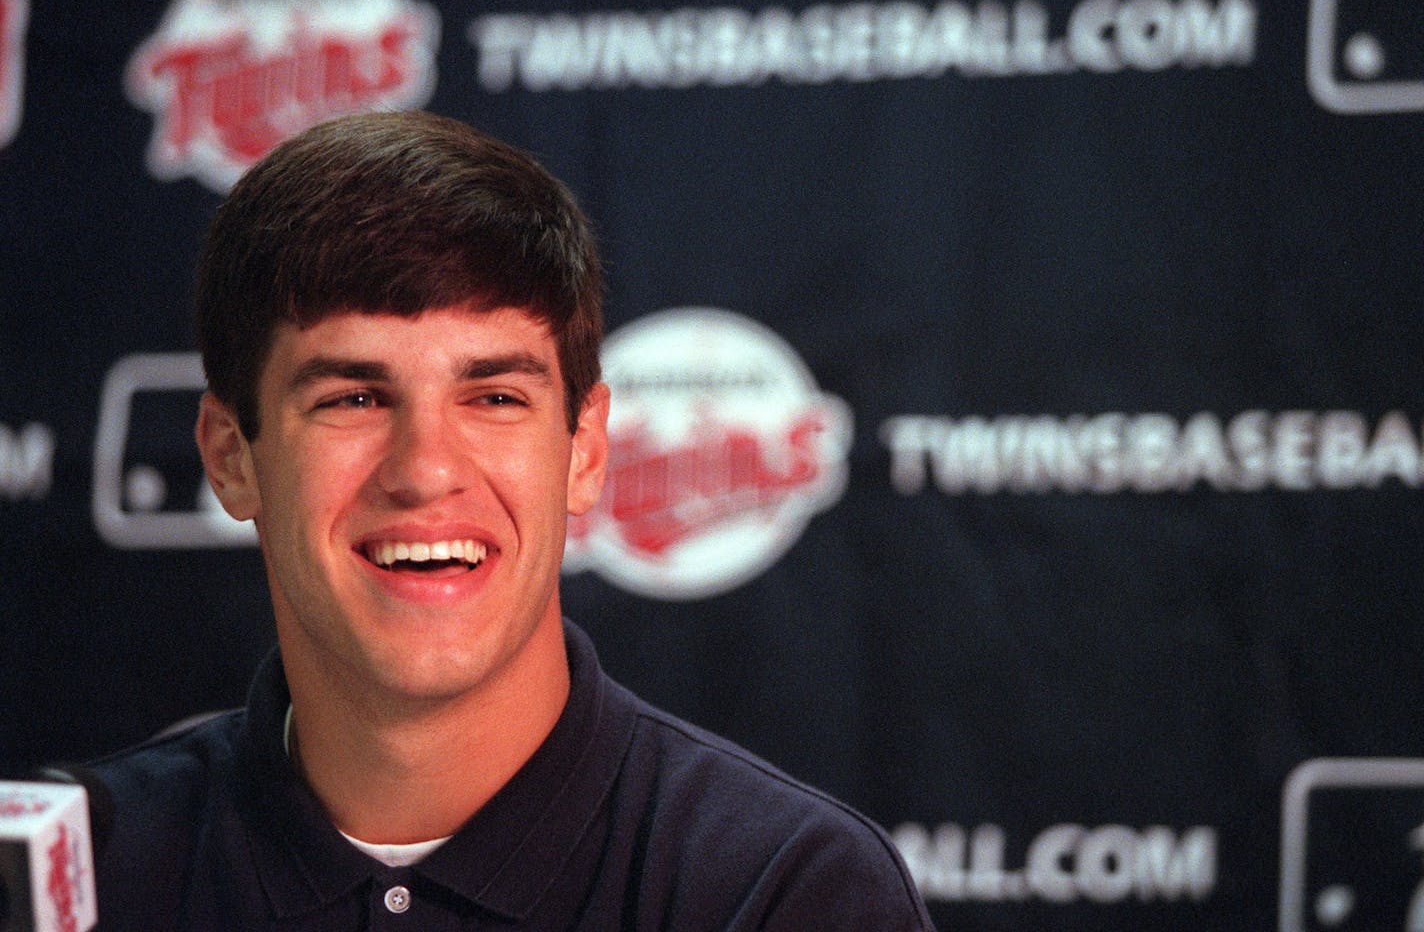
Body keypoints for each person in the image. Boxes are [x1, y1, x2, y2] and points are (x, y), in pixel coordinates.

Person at [90, 110, 933, 930]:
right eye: (354, 398)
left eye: (494, 397)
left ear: (586, 451)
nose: (426, 470)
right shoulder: (76, 876)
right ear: (232, 456)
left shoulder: (785, 891)